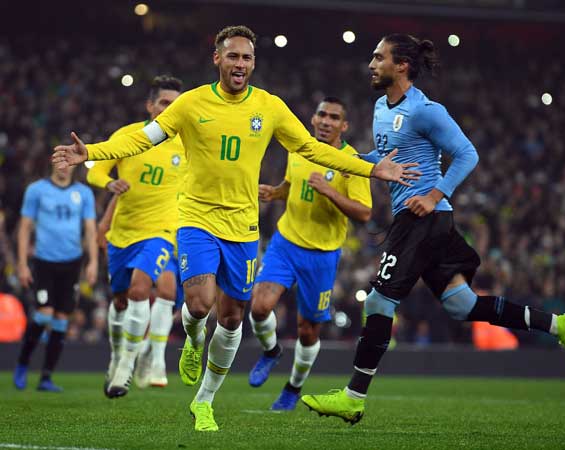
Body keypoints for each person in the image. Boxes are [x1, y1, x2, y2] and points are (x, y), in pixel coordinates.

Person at [52, 25, 420, 432]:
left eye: (246, 58)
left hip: (243, 228)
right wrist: (93, 153)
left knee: (231, 319)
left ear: (253, 63)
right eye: (232, 56)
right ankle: (192, 340)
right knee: (198, 305)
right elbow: (143, 139)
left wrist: (372, 168)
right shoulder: (191, 104)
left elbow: (312, 149)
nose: (240, 64)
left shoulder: (270, 107)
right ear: (217, 59)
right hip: (196, 219)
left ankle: (204, 402)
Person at [301, 34, 565, 425]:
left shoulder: (427, 110)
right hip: (422, 220)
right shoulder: (379, 107)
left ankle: (353, 397)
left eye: (378, 57)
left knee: (377, 303)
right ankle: (562, 325)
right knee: (462, 305)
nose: (370, 64)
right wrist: (350, 157)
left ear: (401, 65)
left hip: (424, 217)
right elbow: (384, 160)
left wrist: (435, 194)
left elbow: (468, 153)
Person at [248, 97, 373, 410]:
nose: (326, 121)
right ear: (313, 119)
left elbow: (364, 213)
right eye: (322, 114)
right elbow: (292, 185)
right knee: (260, 308)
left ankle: (294, 386)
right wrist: (275, 193)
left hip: (321, 255)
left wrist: (329, 191)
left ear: (343, 126)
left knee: (308, 330)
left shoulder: (350, 163)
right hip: (286, 242)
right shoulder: (299, 147)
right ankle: (271, 350)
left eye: (334, 117)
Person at [87, 75, 186, 397]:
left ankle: (130, 365)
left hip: (162, 232)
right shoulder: (129, 136)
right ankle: (118, 357)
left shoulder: (187, 143)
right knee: (119, 300)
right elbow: (95, 169)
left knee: (141, 289)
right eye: (164, 103)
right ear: (150, 105)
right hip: (123, 233)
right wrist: (109, 184)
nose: (169, 110)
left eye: (175, 105)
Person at [13, 163, 97, 392]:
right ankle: (22, 364)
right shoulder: (37, 190)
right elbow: (25, 228)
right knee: (44, 314)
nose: (63, 167)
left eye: (67, 162)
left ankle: (46, 377)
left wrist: (93, 262)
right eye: (59, 161)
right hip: (44, 261)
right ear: (51, 163)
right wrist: (22, 264)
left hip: (72, 263)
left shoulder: (84, 193)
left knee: (61, 319)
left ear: (73, 166)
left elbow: (90, 230)